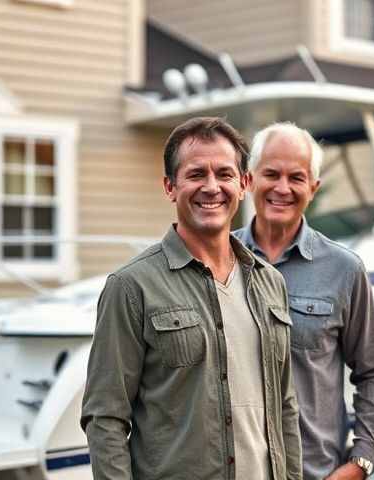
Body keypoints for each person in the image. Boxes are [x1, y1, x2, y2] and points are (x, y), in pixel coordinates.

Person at [81, 117, 302, 480]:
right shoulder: (131, 287)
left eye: (225, 174)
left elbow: (285, 406)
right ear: (170, 187)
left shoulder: (270, 283)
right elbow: (105, 417)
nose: (212, 187)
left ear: (244, 184)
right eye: (197, 174)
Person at [235, 123, 374, 480]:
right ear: (249, 181)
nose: (282, 188)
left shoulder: (344, 270)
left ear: (313, 188)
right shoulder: (217, 260)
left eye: (296, 177)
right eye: (271, 174)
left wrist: (361, 461)